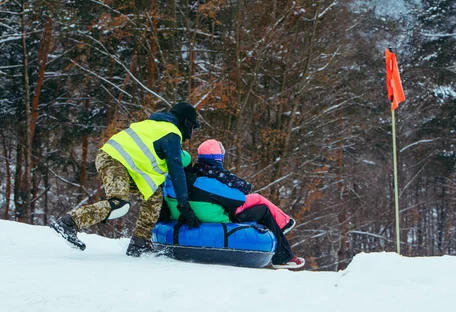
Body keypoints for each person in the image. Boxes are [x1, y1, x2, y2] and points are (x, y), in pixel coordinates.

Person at [50, 102, 202, 257]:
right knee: (119, 204)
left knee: (154, 196)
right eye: (192, 128)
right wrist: (183, 205)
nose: (191, 133)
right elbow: (176, 172)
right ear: (186, 122)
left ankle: (139, 244)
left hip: (124, 164)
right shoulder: (171, 132)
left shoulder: (153, 124)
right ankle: (68, 223)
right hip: (114, 160)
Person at [163, 139, 304, 269]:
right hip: (215, 217)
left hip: (188, 217)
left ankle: (283, 230)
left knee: (257, 201)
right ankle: (283, 251)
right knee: (262, 208)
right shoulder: (207, 181)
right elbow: (238, 198)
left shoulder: (171, 181)